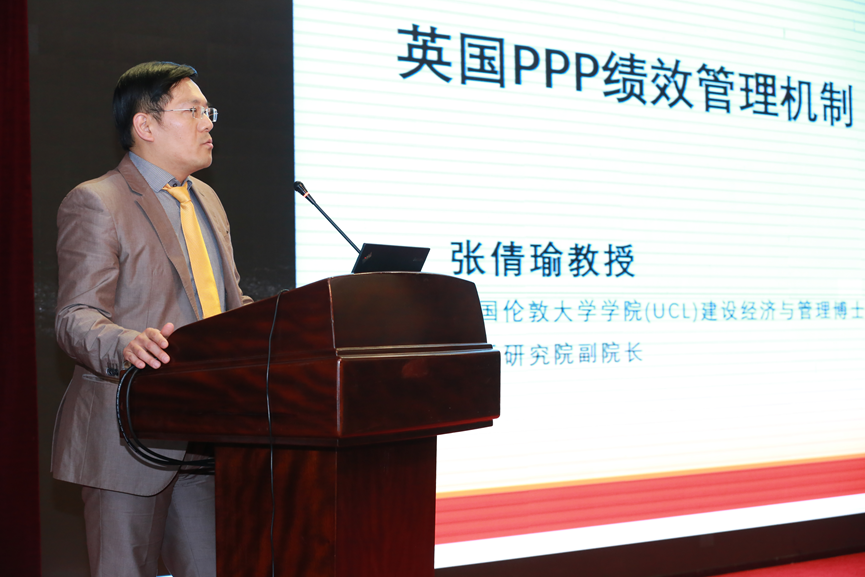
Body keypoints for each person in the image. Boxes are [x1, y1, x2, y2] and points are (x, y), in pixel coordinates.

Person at [51, 61, 252, 577]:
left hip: (204, 433)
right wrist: (124, 343)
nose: (208, 123)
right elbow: (75, 316)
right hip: (127, 437)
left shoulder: (207, 200)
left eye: (208, 112)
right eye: (193, 111)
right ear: (145, 125)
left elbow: (228, 307)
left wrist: (293, 321)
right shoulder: (97, 202)